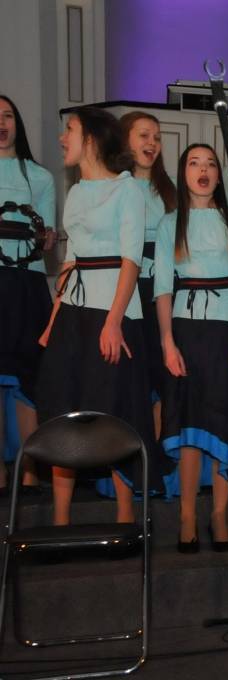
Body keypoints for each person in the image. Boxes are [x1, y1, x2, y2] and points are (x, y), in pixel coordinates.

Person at [35, 106, 155, 525]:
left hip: (113, 315)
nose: (61, 138)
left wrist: (113, 321)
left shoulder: (127, 189)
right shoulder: (76, 192)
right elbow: (71, 260)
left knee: (114, 410)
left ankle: (125, 516)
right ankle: (60, 521)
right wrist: (53, 322)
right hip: (73, 315)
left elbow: (131, 260)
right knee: (62, 407)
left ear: (91, 138)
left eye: (69, 129)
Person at [154, 143, 228, 552]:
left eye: (211, 164)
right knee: (188, 423)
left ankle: (218, 513)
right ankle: (186, 515)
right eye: (195, 163)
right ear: (183, 173)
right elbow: (163, 288)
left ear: (219, 174)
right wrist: (167, 341)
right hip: (186, 329)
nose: (203, 170)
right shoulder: (170, 223)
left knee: (223, 421)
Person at [0, 94, 55, 495]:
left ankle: (32, 467)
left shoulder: (41, 177)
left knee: (29, 376)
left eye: (7, 115)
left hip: (29, 283)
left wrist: (47, 237)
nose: (1, 123)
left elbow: (47, 237)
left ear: (17, 123)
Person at [119, 111, 175, 442]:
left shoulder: (170, 191)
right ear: (124, 139)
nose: (152, 143)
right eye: (144, 135)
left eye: (156, 137)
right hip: (126, 293)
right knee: (128, 377)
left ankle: (154, 457)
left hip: (161, 293)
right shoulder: (115, 187)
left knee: (160, 376)